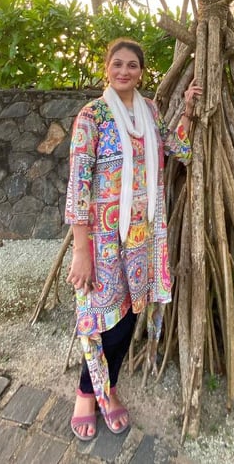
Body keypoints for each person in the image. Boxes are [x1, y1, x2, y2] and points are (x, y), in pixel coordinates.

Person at [64, 37, 201, 440]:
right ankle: (87, 394)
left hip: (143, 236)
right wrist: (80, 248)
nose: (125, 71)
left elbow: (177, 149)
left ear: (142, 72)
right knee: (101, 320)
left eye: (133, 66)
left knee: (127, 317)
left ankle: (109, 386)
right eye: (118, 64)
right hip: (103, 240)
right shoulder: (92, 117)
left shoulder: (149, 112)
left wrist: (189, 112)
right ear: (106, 67)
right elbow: (78, 184)